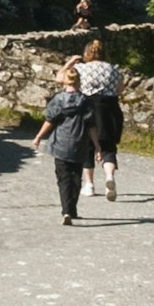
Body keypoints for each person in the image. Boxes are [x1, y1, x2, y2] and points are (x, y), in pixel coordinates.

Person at [33, 67, 96, 224]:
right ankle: (72, 209)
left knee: (63, 178)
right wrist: (97, 145)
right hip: (79, 143)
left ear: (65, 81)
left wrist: (39, 136)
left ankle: (66, 211)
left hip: (60, 144)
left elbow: (50, 121)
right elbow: (91, 126)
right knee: (76, 177)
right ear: (79, 81)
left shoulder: (58, 100)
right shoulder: (86, 101)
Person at [76, 37, 126, 202]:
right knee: (108, 147)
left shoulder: (81, 69)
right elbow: (119, 90)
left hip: (89, 109)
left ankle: (89, 185)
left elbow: (64, 80)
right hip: (110, 110)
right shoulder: (114, 69)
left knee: (88, 147)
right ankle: (109, 177)